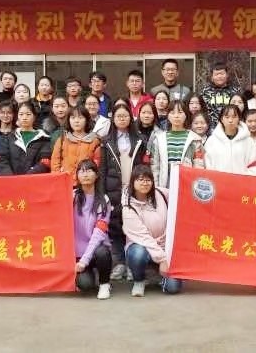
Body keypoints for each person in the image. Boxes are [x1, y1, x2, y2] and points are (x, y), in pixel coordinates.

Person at [100, 104, 147, 281]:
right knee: (115, 226)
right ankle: (119, 262)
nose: (122, 119)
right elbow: (102, 169)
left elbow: (144, 165)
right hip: (114, 189)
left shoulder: (140, 139)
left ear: (131, 118)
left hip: (134, 188)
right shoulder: (106, 141)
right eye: (118, 116)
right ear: (113, 119)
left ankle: (132, 264)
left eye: (125, 116)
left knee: (134, 226)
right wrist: (102, 193)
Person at [123, 165, 182, 296]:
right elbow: (143, 238)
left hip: (165, 247)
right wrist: (162, 259)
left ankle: (160, 278)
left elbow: (180, 195)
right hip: (142, 246)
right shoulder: (128, 208)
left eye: (148, 180)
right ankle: (139, 280)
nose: (145, 183)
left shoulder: (161, 193)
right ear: (133, 182)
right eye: (140, 179)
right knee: (138, 254)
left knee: (173, 287)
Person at [72, 159, 113, 300]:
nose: (85, 174)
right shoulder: (71, 197)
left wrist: (84, 260)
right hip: (76, 253)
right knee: (85, 285)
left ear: (96, 175)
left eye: (89, 171)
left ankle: (104, 283)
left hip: (95, 250)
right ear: (77, 176)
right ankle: (88, 276)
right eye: (81, 171)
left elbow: (99, 233)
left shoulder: (104, 200)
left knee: (103, 253)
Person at [148, 100, 205, 188]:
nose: (176, 116)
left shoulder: (195, 139)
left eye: (180, 112)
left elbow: (199, 166)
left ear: (186, 115)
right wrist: (156, 188)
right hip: (164, 185)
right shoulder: (159, 139)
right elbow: (155, 167)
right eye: (172, 113)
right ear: (168, 115)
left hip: (187, 185)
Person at [204, 104, 256, 175]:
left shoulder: (248, 141)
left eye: (234, 117)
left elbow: (253, 165)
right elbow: (207, 164)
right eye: (227, 117)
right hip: (218, 180)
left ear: (239, 119)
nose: (230, 120)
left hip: (241, 180)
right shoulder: (212, 141)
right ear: (221, 119)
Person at [0, 101, 51, 175]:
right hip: (12, 180)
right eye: (21, 114)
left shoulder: (44, 137)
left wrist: (26, 178)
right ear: (17, 116)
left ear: (34, 117)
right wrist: (11, 178)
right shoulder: (9, 138)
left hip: (34, 179)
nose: (24, 117)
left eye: (28, 114)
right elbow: (2, 161)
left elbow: (45, 162)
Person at [51, 105, 101, 182]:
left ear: (87, 120)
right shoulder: (62, 140)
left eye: (80, 118)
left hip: (86, 183)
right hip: (65, 182)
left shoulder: (95, 141)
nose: (76, 121)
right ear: (68, 120)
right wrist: (58, 178)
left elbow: (97, 164)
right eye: (73, 118)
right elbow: (55, 163)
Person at [201, 63, 241, 127]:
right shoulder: (205, 91)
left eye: (222, 74)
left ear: (227, 75)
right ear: (212, 77)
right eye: (216, 74)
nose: (219, 76)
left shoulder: (235, 90)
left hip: (231, 125)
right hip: (211, 127)